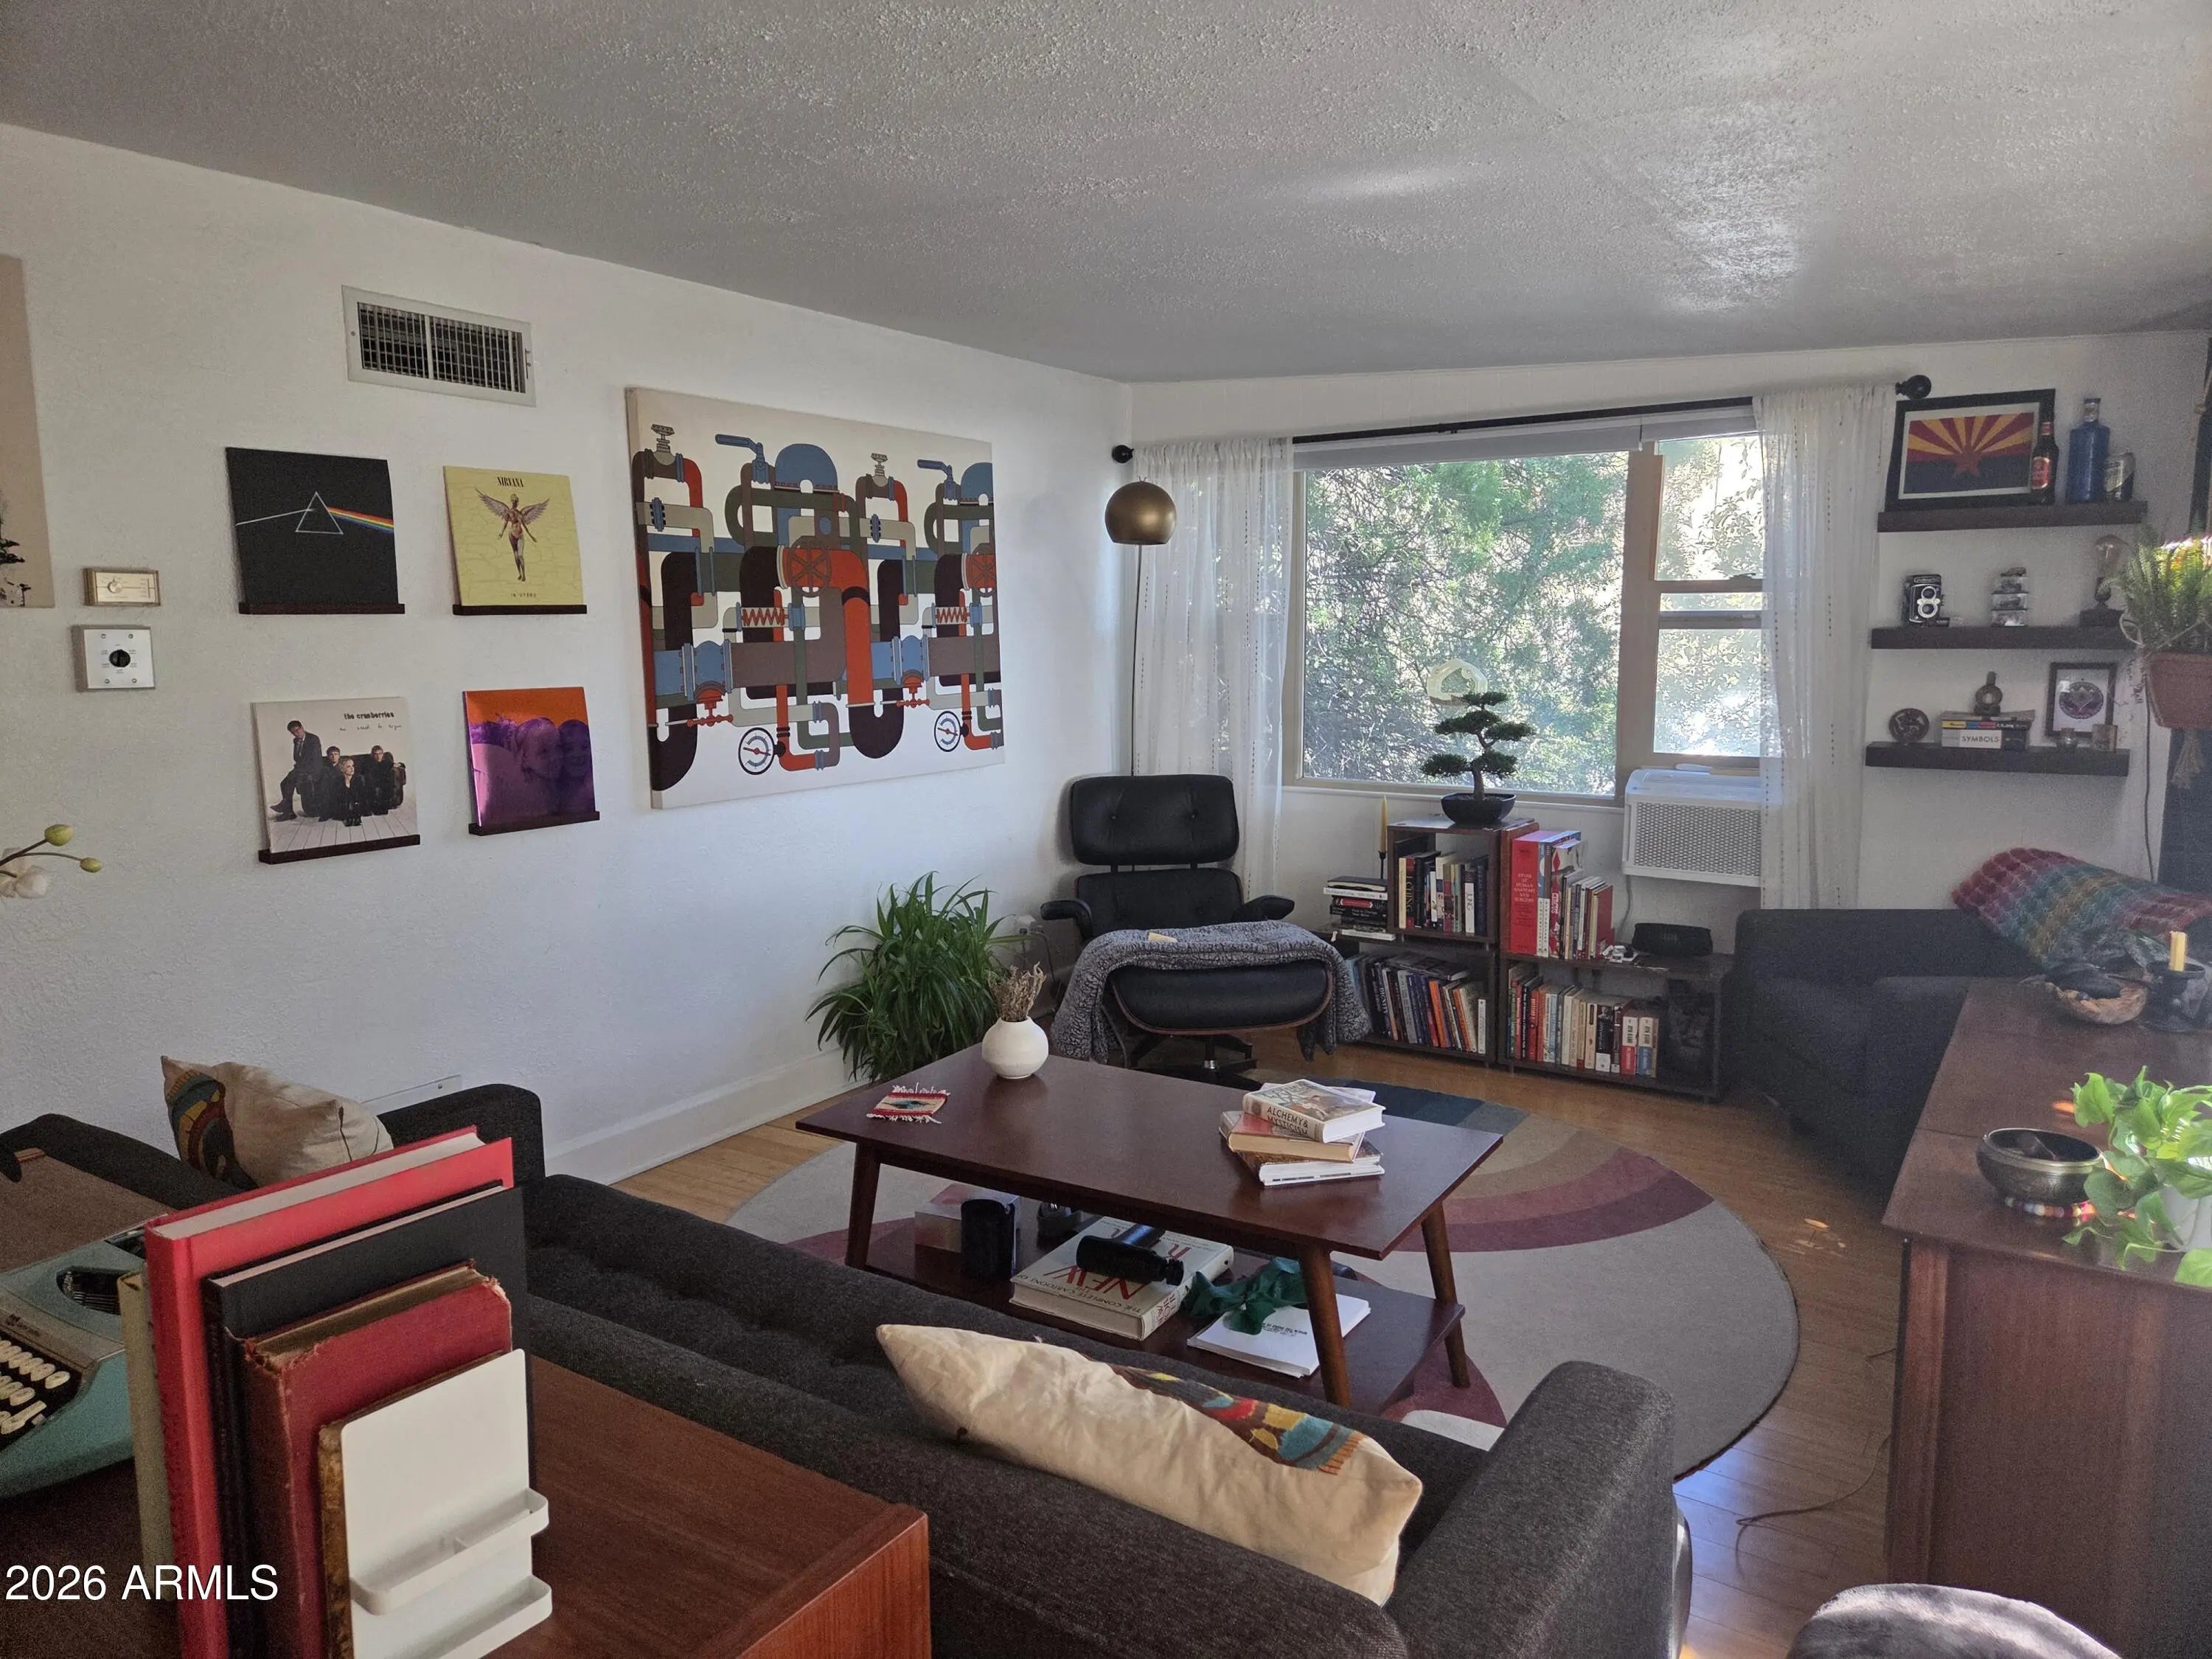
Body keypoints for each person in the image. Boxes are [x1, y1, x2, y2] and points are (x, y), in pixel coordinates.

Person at [271, 719, 322, 820]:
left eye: (297, 730)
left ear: (302, 728)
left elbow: (313, 759)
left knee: (291, 778)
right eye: (293, 732)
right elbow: (297, 758)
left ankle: (287, 810)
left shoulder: (313, 739)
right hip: (301, 769)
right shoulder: (296, 741)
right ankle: (288, 810)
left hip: (314, 769)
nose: (296, 734)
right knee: (284, 783)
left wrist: (299, 770)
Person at [359, 745, 399, 815]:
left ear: (383, 754)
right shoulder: (368, 763)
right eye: (376, 754)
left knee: (386, 788)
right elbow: (363, 772)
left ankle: (383, 808)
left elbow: (401, 765)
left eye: (380, 754)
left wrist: (399, 765)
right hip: (372, 783)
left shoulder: (387, 762)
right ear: (372, 755)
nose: (378, 756)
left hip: (384, 784)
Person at [308, 746, 345, 821]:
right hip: (328, 788)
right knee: (324, 783)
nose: (334, 757)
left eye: (336, 754)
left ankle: (338, 812)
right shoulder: (324, 767)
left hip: (340, 787)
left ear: (339, 756)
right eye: (331, 755)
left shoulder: (343, 766)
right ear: (328, 756)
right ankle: (326, 813)